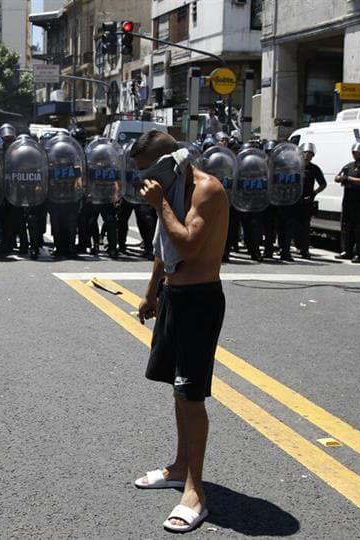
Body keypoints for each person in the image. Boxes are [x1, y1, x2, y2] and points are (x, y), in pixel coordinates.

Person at [130, 130, 228, 533]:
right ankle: (179, 465)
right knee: (176, 386)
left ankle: (195, 490)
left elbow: (186, 244)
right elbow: (162, 247)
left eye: (146, 171)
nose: (143, 181)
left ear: (170, 162)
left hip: (199, 301)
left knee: (191, 394)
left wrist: (160, 204)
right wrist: (152, 292)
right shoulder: (169, 189)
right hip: (173, 295)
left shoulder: (207, 190)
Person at [335, 142, 360, 262]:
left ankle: (359, 253)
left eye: (357, 152)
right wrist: (342, 178)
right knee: (346, 226)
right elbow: (337, 177)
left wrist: (348, 179)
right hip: (348, 199)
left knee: (359, 229)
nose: (354, 154)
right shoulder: (348, 166)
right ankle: (346, 250)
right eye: (353, 152)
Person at [295, 142, 326, 259]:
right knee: (292, 224)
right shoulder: (295, 166)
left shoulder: (314, 169)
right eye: (305, 153)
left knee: (305, 226)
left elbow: (323, 184)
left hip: (306, 201)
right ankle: (292, 246)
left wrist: (314, 193)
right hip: (294, 199)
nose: (307, 156)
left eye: (310, 154)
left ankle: (304, 250)